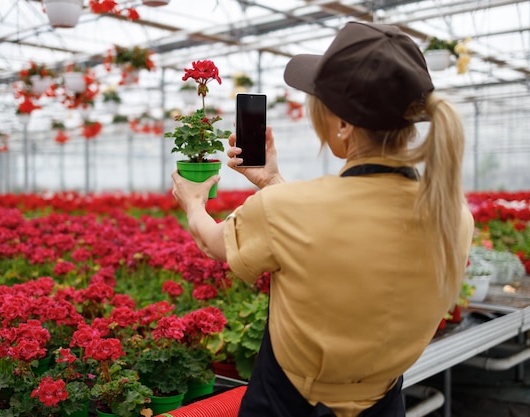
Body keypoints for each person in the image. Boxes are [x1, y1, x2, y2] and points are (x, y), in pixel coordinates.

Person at [171, 21, 474, 417]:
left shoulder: (290, 209)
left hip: (288, 406)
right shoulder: (453, 215)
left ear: (343, 126)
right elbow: (333, 221)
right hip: (384, 404)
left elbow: (214, 243)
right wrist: (273, 181)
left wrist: (193, 202)